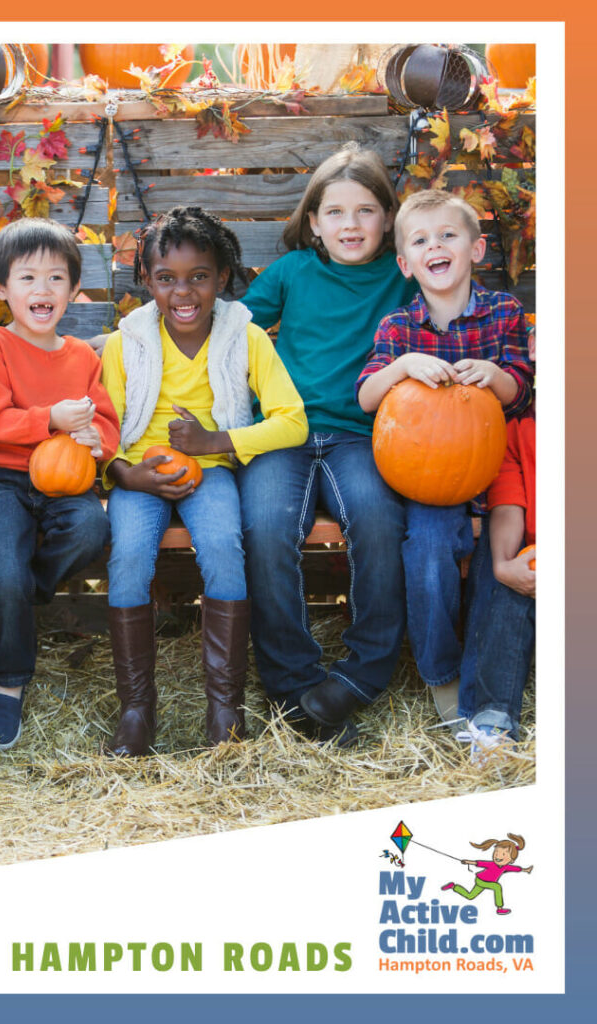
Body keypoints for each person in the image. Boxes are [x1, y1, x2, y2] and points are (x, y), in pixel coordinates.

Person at [101, 206, 307, 755]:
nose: (183, 292)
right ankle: (137, 711)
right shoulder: (126, 344)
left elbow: (293, 421)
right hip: (137, 474)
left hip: (210, 472)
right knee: (127, 557)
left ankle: (225, 709)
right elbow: (104, 428)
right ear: (147, 282)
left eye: (199, 277)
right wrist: (127, 474)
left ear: (222, 278)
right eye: (166, 279)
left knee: (222, 545)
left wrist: (215, 443)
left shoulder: (248, 338)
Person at [238, 143, 417, 743]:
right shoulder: (292, 272)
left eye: (365, 211)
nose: (350, 225)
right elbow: (232, 329)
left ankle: (362, 673)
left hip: (359, 435)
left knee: (378, 519)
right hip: (282, 431)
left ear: (388, 219)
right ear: (312, 222)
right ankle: (294, 684)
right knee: (264, 525)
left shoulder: (402, 275)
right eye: (334, 213)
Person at [357, 189, 533, 729]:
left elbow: (525, 391)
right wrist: (404, 366)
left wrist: (500, 379)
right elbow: (366, 396)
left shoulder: (504, 313)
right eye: (421, 239)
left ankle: (495, 686)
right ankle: (442, 675)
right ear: (407, 264)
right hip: (430, 481)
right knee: (428, 550)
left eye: (448, 235)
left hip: (500, 474)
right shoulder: (399, 330)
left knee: (495, 573)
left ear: (477, 249)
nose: (436, 245)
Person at [0, 218, 119, 750]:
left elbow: (104, 420)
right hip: (5, 478)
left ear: (74, 290)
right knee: (3, 567)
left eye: (56, 279)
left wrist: (96, 440)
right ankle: (9, 681)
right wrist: (52, 419)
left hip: (68, 479)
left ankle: (19, 594)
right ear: (0, 288)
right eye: (28, 278)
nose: (43, 290)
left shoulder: (82, 356)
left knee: (90, 530)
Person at [459, 327, 536, 761]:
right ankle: (494, 722)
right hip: (540, 551)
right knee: (508, 592)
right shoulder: (517, 426)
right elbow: (509, 498)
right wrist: (506, 565)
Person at [441, 833, 533, 915]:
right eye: (496, 853)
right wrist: (467, 862)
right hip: (480, 880)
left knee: (470, 896)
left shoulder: (505, 867)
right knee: (497, 887)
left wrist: (526, 870)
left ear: (511, 860)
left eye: (503, 854)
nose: (497, 856)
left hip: (483, 883)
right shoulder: (491, 864)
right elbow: (478, 863)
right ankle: (499, 908)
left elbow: (516, 869)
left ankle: (454, 886)